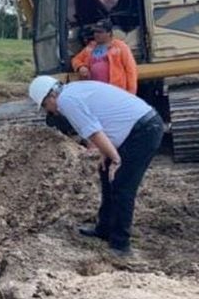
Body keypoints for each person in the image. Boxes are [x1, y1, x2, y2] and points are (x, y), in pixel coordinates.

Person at [28, 76, 164, 257]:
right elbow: (105, 121)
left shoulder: (67, 101)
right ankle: (104, 228)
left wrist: (115, 159)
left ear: (50, 97)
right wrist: (105, 154)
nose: (50, 111)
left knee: (122, 185)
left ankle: (120, 245)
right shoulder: (73, 91)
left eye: (45, 106)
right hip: (135, 129)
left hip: (143, 131)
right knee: (105, 172)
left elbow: (93, 130)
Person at [71, 20, 138, 94]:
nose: (96, 34)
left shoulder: (120, 47)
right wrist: (81, 67)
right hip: (95, 91)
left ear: (109, 33)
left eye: (100, 32)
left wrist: (131, 92)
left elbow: (131, 69)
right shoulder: (90, 47)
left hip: (116, 91)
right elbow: (76, 59)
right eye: (95, 32)